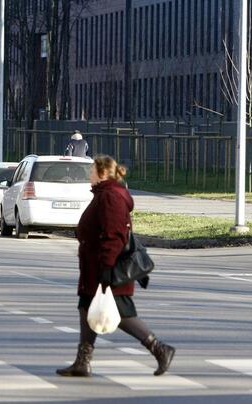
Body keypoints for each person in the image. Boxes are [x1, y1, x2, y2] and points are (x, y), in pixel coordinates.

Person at [57, 154, 175, 378]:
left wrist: (107, 269)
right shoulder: (104, 193)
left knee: (121, 313)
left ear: (102, 173)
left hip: (108, 268)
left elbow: (114, 235)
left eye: (92, 170)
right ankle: (83, 361)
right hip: (94, 268)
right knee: (87, 308)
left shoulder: (111, 196)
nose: (89, 175)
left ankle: (160, 348)